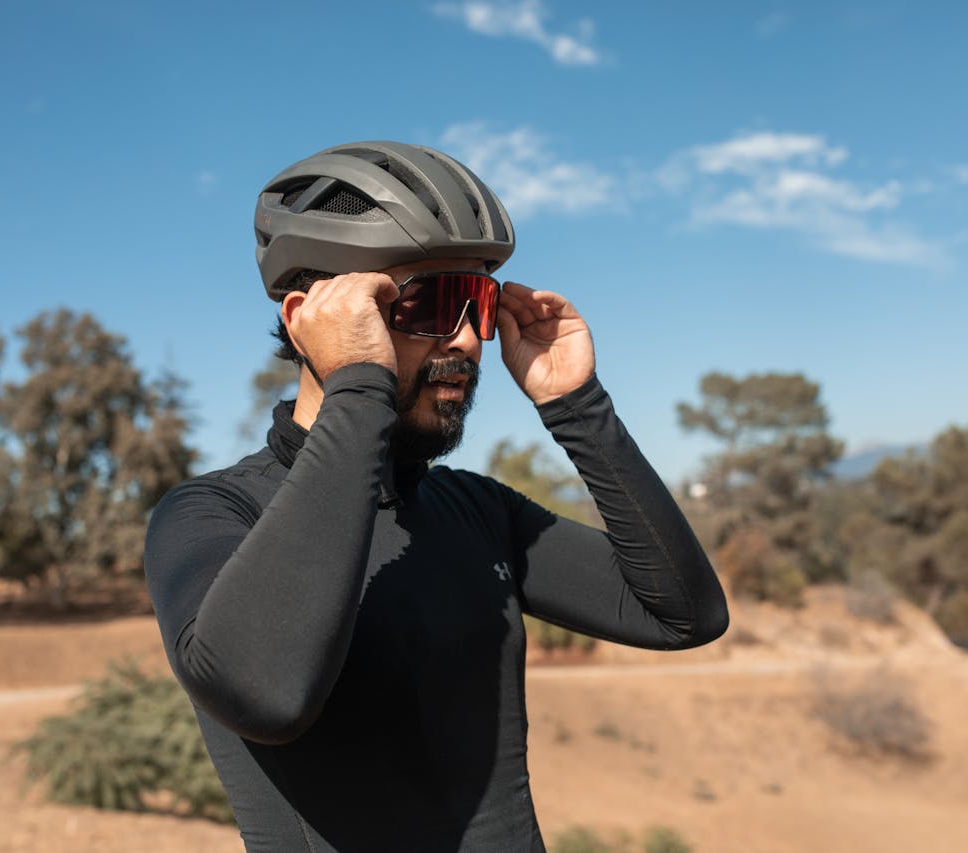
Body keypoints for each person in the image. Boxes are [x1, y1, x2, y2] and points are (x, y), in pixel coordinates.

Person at [144, 140, 728, 852]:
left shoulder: (477, 512)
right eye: (426, 304)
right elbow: (267, 693)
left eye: (477, 301)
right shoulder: (211, 516)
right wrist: (359, 385)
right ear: (309, 321)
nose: (469, 340)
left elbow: (684, 614)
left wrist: (578, 406)